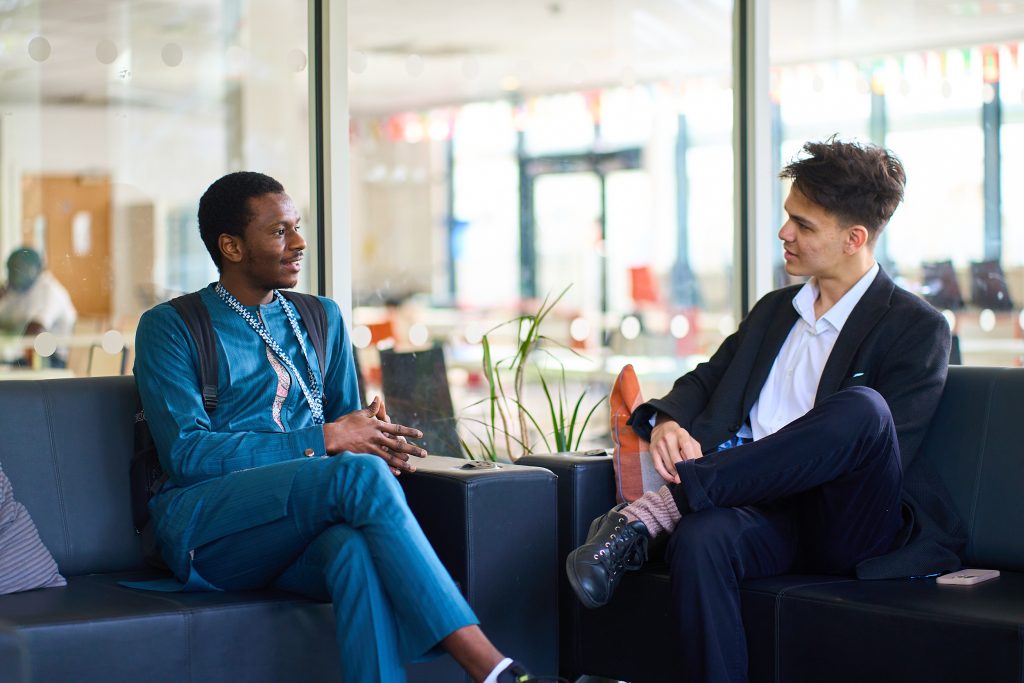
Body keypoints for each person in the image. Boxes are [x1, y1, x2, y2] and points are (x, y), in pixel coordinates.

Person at [566, 139, 966, 683]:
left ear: (854, 239)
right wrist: (670, 422)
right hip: (759, 511)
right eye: (787, 219)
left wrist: (704, 482)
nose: (785, 234)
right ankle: (677, 518)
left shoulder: (916, 328)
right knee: (700, 541)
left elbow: (889, 445)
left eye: (803, 225)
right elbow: (707, 378)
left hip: (845, 518)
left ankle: (659, 510)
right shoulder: (776, 311)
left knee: (865, 411)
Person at [134, 172, 556, 683]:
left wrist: (377, 444)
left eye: (297, 227)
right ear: (232, 246)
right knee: (353, 477)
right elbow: (188, 454)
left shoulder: (321, 319)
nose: (299, 243)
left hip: (296, 523)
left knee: (353, 550)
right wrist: (329, 438)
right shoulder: (173, 326)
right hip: (211, 529)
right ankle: (485, 663)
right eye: (279, 231)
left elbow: (349, 431)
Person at [0, 247, 77, 368]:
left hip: (52, 361)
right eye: (11, 270)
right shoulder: (21, 288)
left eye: (18, 270)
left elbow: (36, 329)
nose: (13, 275)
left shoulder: (49, 290)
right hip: (27, 357)